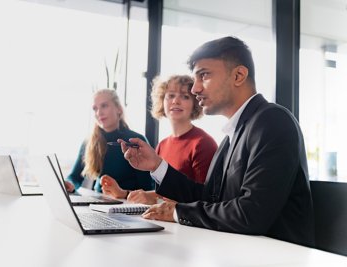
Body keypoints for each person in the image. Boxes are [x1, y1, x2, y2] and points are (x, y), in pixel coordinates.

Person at [118, 36, 315, 247]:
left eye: (204, 75)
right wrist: (156, 165)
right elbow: (210, 198)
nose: (195, 89)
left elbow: (251, 213)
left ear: (239, 75)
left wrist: (177, 212)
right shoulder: (234, 133)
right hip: (239, 251)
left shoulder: (273, 121)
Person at [100, 75, 218, 204]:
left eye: (185, 96)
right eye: (171, 95)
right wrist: (124, 193)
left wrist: (154, 198)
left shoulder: (203, 143)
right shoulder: (162, 144)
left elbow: (204, 198)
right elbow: (164, 192)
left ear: (195, 102)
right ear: (162, 100)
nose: (176, 101)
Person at [64, 89, 153, 194]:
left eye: (104, 106)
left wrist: (123, 194)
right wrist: (69, 184)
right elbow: (74, 177)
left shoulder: (136, 141)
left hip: (128, 204)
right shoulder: (89, 142)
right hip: (99, 201)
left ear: (119, 109)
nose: (99, 112)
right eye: (95, 108)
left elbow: (147, 188)